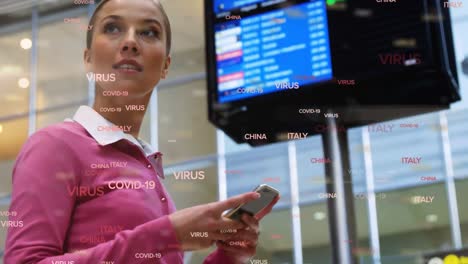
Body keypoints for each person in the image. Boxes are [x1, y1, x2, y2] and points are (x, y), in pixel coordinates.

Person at [3, 0, 279, 263]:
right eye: (112, 28)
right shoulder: (54, 145)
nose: (130, 42)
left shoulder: (147, 169)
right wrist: (168, 234)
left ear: (165, 67)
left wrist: (228, 257)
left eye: (148, 32)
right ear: (88, 58)